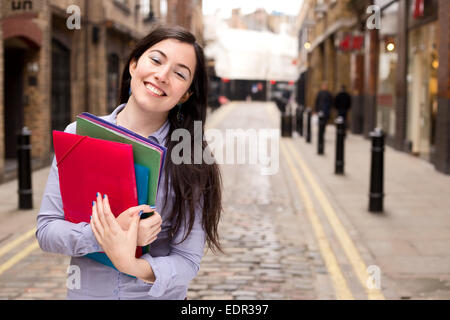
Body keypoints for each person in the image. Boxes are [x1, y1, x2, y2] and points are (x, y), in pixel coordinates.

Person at [36, 25, 223, 300]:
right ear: (134, 65)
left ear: (185, 94)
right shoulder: (77, 135)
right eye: (156, 60)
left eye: (179, 74)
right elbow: (47, 230)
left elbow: (187, 260)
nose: (162, 76)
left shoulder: (193, 159)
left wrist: (132, 265)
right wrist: (107, 235)